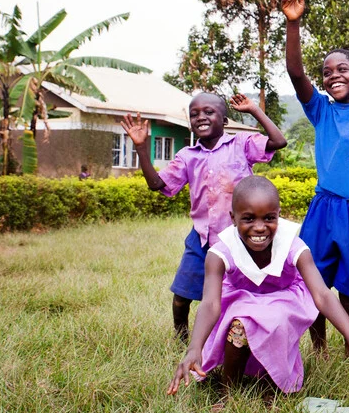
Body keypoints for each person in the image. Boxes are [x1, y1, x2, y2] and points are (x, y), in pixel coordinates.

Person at [166, 176, 349, 406]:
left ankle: (272, 388)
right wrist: (194, 348)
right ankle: (229, 391)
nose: (259, 227)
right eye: (248, 219)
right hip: (240, 300)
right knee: (240, 325)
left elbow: (322, 294)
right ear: (233, 218)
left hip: (284, 299)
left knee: (274, 319)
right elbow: (210, 304)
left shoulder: (293, 245)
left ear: (278, 215)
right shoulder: (220, 252)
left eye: (269, 218)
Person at [121, 93, 287, 341]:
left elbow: (278, 141)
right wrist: (142, 148)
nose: (201, 117)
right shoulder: (188, 156)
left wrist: (253, 110)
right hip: (202, 239)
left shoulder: (241, 144)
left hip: (239, 239)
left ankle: (239, 337)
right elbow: (157, 184)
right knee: (181, 296)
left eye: (208, 112)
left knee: (236, 295)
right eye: (195, 114)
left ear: (225, 120)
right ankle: (182, 339)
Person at [281, 0, 349, 356]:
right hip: (324, 210)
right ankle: (320, 347)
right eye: (327, 72)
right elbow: (296, 75)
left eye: (343, 69)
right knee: (315, 283)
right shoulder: (321, 110)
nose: (333, 76)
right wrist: (293, 24)